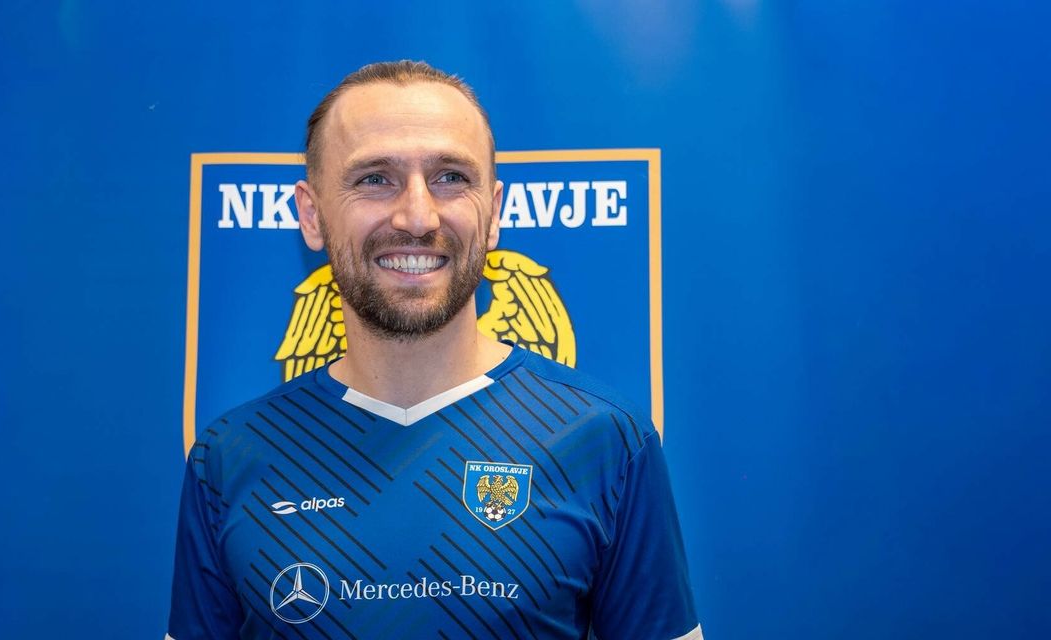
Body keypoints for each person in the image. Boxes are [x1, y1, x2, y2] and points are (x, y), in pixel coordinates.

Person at [167, 60, 702, 640]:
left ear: (493, 213)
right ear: (312, 215)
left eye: (450, 177)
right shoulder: (231, 456)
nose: (418, 217)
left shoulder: (603, 441)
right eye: (375, 179)